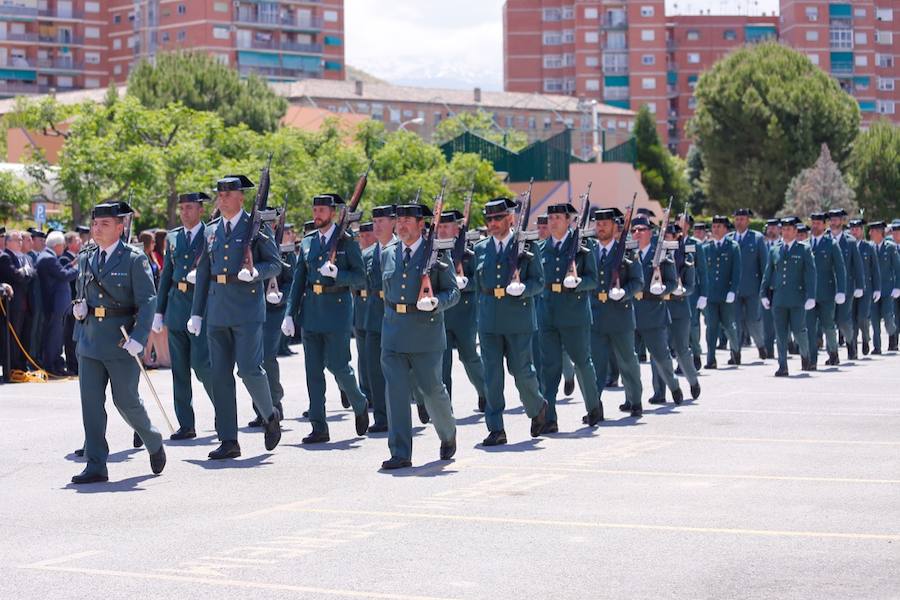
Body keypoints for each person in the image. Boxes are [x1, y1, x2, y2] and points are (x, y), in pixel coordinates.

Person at [70, 201, 166, 484]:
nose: (97, 230)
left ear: (120, 228)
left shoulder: (133, 259)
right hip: (89, 340)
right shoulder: (87, 256)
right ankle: (96, 463)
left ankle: (152, 438)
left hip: (121, 340)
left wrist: (139, 336)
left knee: (125, 400)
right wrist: (79, 307)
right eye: (95, 225)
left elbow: (148, 300)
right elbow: (81, 289)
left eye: (105, 225)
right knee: (91, 404)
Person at [189, 175, 282, 459]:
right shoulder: (211, 230)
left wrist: (255, 273)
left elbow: (275, 264)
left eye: (229, 194)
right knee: (220, 376)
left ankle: (269, 414)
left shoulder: (255, 227)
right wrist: (196, 312)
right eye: (220, 194)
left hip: (246, 310)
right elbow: (204, 271)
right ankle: (229, 440)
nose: (223, 198)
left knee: (249, 370)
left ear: (241, 197)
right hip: (217, 309)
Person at [378, 200, 461, 469]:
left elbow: (453, 292)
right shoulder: (388, 253)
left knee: (432, 390)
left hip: (425, 333)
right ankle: (400, 452)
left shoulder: (435, 253)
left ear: (421, 225)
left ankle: (448, 433)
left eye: (407, 221)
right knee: (396, 393)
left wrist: (436, 302)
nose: (401, 225)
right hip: (393, 332)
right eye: (398, 221)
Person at [281, 193, 370, 444]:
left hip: (337, 309)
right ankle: (319, 426)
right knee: (313, 372)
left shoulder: (346, 241)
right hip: (311, 312)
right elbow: (299, 280)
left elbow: (360, 277)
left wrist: (338, 274)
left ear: (332, 213)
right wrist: (289, 314)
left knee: (340, 366)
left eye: (322, 210)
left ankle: (359, 402)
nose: (317, 214)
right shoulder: (308, 242)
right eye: (315, 209)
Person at [474, 198, 548, 446]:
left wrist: (523, 288)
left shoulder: (526, 245)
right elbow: (477, 287)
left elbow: (539, 282)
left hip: (518, 319)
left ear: (510, 219)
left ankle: (537, 406)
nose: (493, 224)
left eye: (498, 219)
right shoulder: (481, 248)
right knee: (492, 377)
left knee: (522, 372)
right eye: (489, 219)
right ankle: (496, 428)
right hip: (489, 320)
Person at [151, 192, 215, 440]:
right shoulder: (174, 237)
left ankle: (223, 412)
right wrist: (159, 310)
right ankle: (186, 424)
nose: (185, 212)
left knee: (202, 365)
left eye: (190, 208)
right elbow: (167, 274)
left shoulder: (210, 234)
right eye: (182, 208)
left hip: (202, 306)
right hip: (177, 307)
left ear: (200, 210)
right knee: (179, 369)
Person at [539, 202, 603, 430]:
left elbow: (593, 280)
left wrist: (578, 283)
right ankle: (549, 418)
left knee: (582, 362)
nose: (553, 221)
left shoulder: (582, 249)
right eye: (551, 217)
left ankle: (593, 407)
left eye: (558, 217)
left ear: (569, 221)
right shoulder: (540, 248)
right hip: (547, 313)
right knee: (550, 367)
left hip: (574, 313)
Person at [588, 208, 644, 417]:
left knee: (627, 361)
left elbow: (638, 282)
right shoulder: (589, 251)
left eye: (605, 224)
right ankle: (594, 407)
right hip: (596, 315)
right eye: (598, 223)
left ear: (614, 226)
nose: (600, 227)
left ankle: (635, 400)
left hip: (620, 315)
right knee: (596, 365)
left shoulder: (628, 252)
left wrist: (624, 293)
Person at [437, 209, 488, 413]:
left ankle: (485, 392)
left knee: (469, 356)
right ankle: (444, 404)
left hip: (465, 313)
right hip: (443, 312)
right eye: (439, 226)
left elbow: (481, 281)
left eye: (446, 226)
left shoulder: (470, 251)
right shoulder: (435, 251)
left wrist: (466, 283)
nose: (442, 230)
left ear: (457, 228)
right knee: (443, 361)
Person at [632, 216, 683, 404]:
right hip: (630, 311)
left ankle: (671, 386)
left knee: (660, 357)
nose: (637, 233)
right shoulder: (627, 253)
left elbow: (672, 281)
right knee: (629, 360)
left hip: (653, 310)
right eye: (634, 230)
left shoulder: (660, 253)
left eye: (641, 230)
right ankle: (632, 397)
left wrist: (662, 289)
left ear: (650, 232)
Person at [760, 216, 816, 377]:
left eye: (789, 229)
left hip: (797, 298)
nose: (785, 232)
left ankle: (805, 355)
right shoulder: (775, 250)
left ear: (795, 231)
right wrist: (763, 293)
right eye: (783, 229)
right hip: (779, 298)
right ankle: (782, 365)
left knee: (799, 331)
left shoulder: (803, 249)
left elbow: (811, 274)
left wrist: (811, 296)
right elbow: (768, 273)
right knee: (781, 334)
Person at [359, 205, 398, 434]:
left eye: (382, 221)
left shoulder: (400, 249)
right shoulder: (367, 254)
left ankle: (422, 402)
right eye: (374, 221)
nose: (377, 225)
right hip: (374, 317)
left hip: (397, 315)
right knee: (374, 369)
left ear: (393, 222)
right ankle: (382, 418)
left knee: (405, 369)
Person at [658, 223, 702, 400]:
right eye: (665, 234)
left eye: (670, 234)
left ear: (677, 237)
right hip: (660, 307)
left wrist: (681, 291)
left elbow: (691, 285)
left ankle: (693, 380)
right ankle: (659, 391)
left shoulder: (686, 255)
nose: (667, 237)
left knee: (682, 349)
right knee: (660, 351)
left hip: (679, 307)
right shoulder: (657, 254)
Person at [805, 213, 847, 369]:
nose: (815, 226)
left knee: (828, 326)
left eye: (818, 223)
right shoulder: (805, 244)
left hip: (827, 293)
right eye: (813, 223)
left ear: (824, 225)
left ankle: (833, 353)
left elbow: (840, 269)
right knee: (809, 327)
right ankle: (812, 360)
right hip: (809, 294)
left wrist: (841, 290)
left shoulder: (831, 244)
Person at [35, 231, 79, 376]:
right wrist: (78, 269)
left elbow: (59, 273)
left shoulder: (48, 256)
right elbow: (64, 276)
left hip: (56, 303)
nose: (63, 248)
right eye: (62, 246)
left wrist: (71, 265)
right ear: (58, 245)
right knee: (54, 337)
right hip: (55, 303)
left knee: (56, 336)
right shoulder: (49, 258)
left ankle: (55, 364)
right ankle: (52, 365)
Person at [703, 216, 741, 368]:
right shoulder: (706, 248)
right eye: (714, 226)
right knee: (711, 327)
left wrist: (733, 291)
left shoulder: (733, 247)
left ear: (726, 229)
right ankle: (711, 359)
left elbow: (736, 272)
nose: (716, 229)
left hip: (727, 295)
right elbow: (702, 273)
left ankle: (735, 350)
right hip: (711, 295)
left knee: (729, 326)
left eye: (719, 226)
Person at [730, 209, 768, 360]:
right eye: (737, 219)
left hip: (753, 288)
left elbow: (764, 264)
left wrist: (764, 288)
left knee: (753, 320)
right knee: (735, 321)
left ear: (748, 221)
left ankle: (760, 345)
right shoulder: (730, 239)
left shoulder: (757, 238)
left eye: (742, 219)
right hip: (734, 289)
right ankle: (736, 351)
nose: (739, 222)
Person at [827, 209, 864, 358]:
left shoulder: (850, 241)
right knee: (828, 322)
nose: (834, 222)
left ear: (841, 222)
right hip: (827, 287)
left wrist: (860, 286)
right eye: (831, 220)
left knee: (843, 320)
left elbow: (858, 265)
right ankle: (833, 353)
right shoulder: (825, 239)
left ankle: (850, 342)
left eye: (836, 220)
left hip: (846, 287)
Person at [0, 230, 35, 374]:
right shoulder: (5, 257)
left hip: (25, 303)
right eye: (17, 240)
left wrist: (25, 272)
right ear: (7, 242)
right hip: (12, 304)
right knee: (13, 337)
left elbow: (33, 273)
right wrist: (25, 272)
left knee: (24, 335)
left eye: (21, 240)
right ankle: (12, 366)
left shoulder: (23, 257)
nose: (20, 242)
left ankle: (21, 364)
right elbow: (15, 276)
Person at [848, 218, 880, 358]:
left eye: (857, 229)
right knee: (851, 321)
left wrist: (877, 288)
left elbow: (875, 270)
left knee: (862, 318)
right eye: (852, 229)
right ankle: (853, 348)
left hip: (866, 289)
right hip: (850, 288)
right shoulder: (847, 246)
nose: (854, 231)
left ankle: (866, 338)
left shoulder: (868, 247)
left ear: (862, 231)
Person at [868, 221, 900, 354]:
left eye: (873, 231)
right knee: (874, 320)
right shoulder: (870, 247)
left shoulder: (890, 247)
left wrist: (897, 287)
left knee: (888, 316)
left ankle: (893, 335)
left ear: (880, 232)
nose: (870, 234)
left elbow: (898, 268)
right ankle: (877, 347)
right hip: (874, 289)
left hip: (888, 289)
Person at [60, 232, 82, 375]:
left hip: (79, 302)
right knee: (70, 336)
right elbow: (67, 277)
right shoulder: (64, 259)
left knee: (77, 336)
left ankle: (77, 364)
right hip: (71, 302)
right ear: (69, 243)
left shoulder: (77, 258)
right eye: (77, 239)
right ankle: (72, 364)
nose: (80, 241)